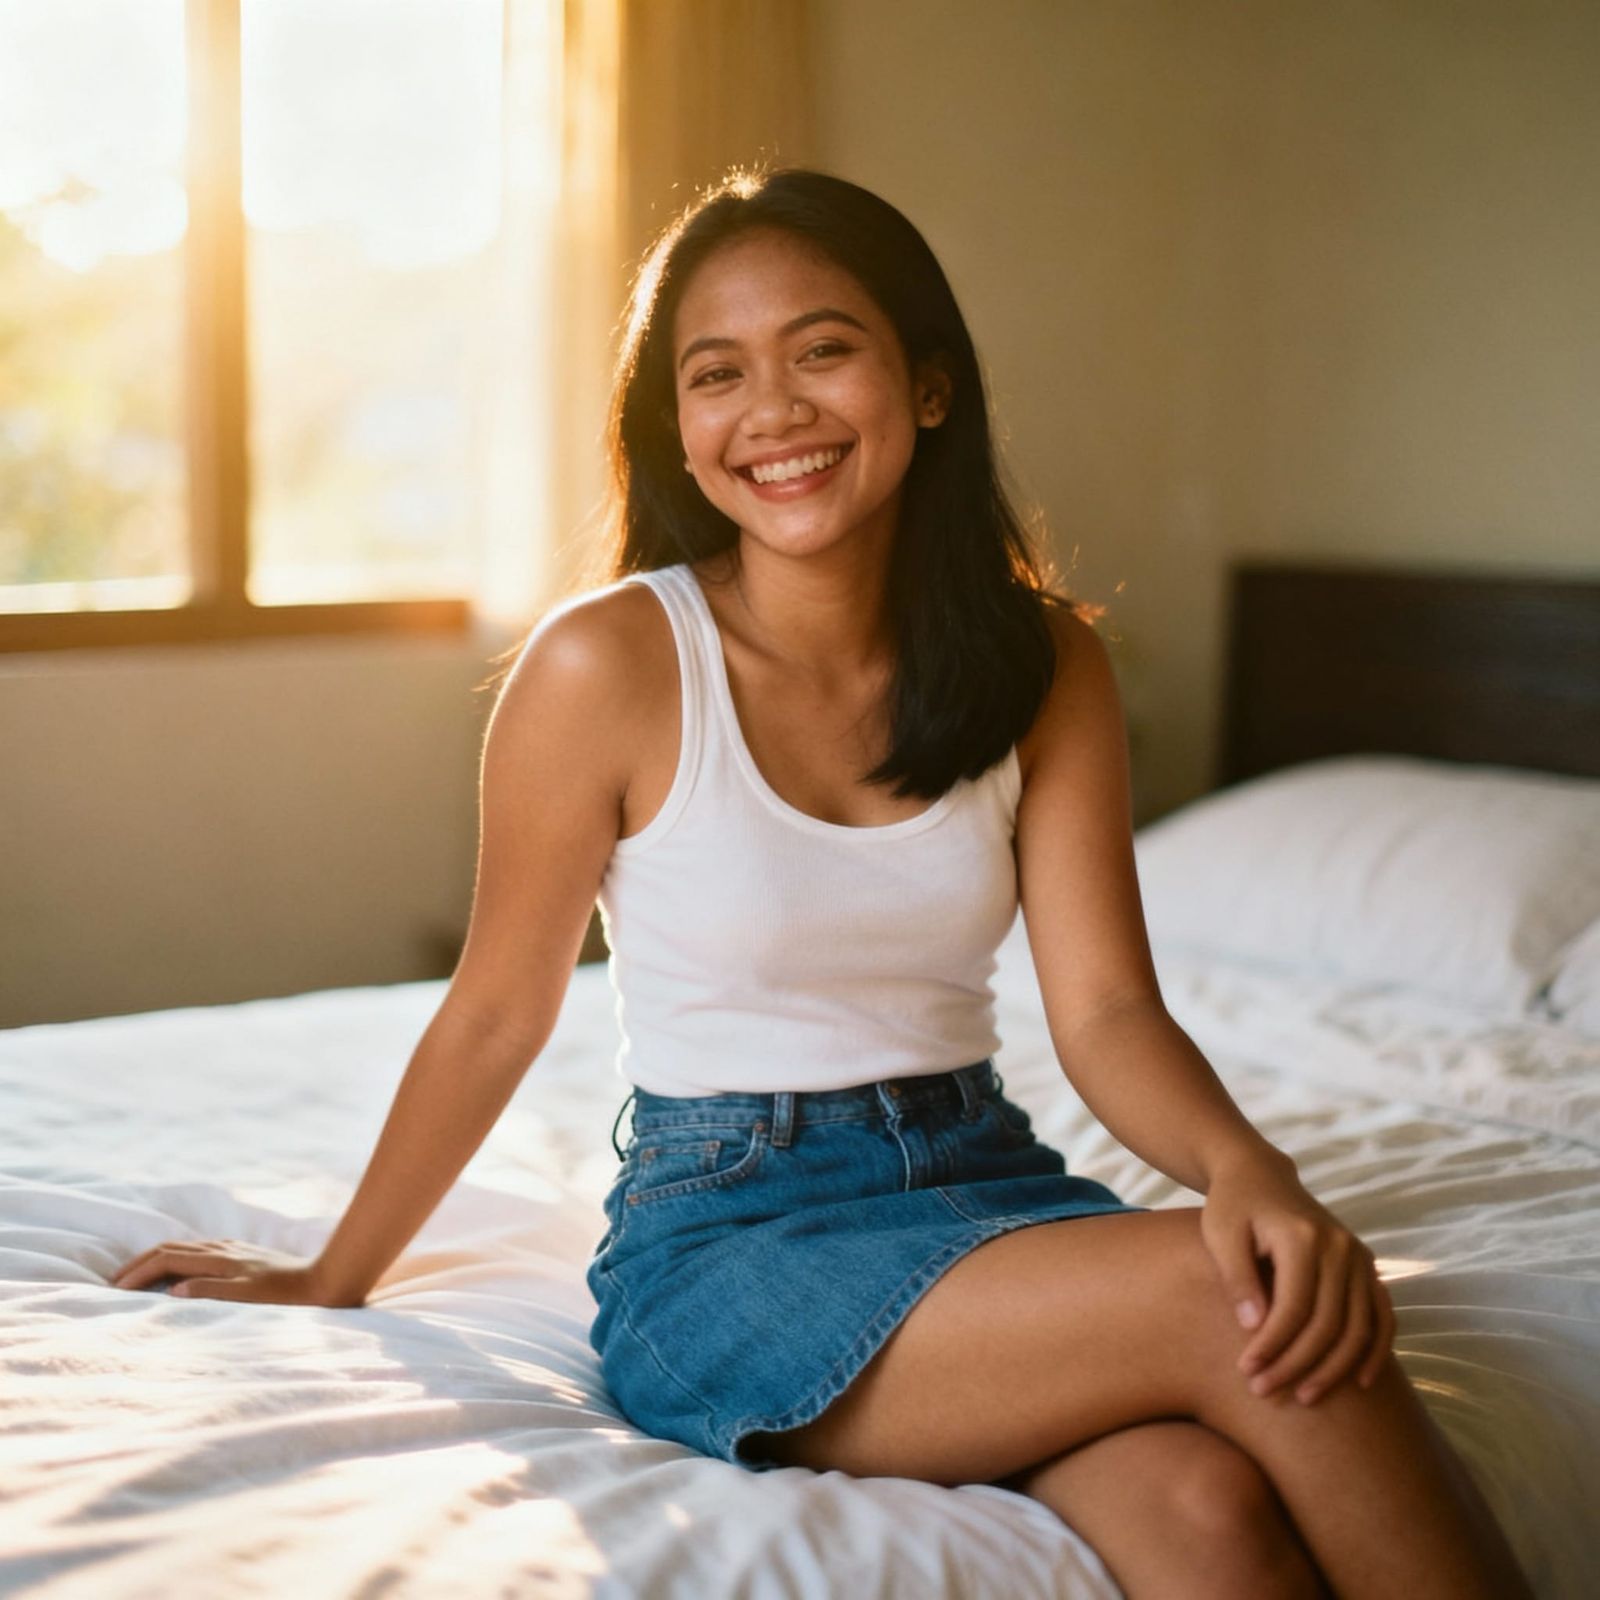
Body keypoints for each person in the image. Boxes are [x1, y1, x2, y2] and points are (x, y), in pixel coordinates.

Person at [109, 167, 1532, 1599]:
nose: (772, 411)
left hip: (982, 1183)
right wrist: (328, 1275)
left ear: (926, 386)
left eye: (822, 350)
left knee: (1205, 1506)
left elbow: (1102, 1009)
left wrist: (1249, 1169)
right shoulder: (607, 664)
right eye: (716, 374)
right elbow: (494, 1009)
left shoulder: (1046, 667)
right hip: (729, 1236)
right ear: (676, 429)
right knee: (1239, 1298)